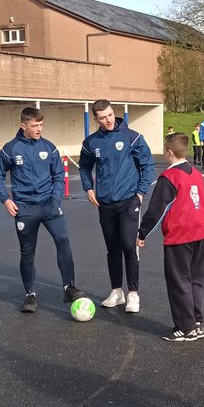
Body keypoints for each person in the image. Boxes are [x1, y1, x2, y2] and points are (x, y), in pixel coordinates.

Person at [0, 107, 85, 313]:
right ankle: (30, 295)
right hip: (24, 208)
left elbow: (59, 176)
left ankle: (68, 287)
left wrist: (56, 200)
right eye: (35, 125)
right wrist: (5, 200)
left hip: (49, 206)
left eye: (41, 125)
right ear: (23, 125)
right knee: (27, 252)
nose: (39, 129)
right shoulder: (11, 149)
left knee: (63, 240)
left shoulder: (49, 147)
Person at [79, 98, 155, 312]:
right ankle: (116, 291)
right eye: (103, 118)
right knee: (112, 249)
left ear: (114, 113)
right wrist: (89, 188)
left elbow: (147, 165)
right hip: (105, 203)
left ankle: (133, 294)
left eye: (110, 115)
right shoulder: (91, 142)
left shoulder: (132, 137)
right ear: (96, 119)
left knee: (129, 246)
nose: (108, 120)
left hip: (129, 201)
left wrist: (140, 193)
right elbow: (84, 168)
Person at [137, 132, 204, 342]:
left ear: (169, 153)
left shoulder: (169, 177)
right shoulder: (196, 173)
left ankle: (185, 327)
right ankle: (196, 322)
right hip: (201, 232)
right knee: (195, 279)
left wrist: (142, 233)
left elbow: (157, 210)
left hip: (181, 235)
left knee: (179, 281)